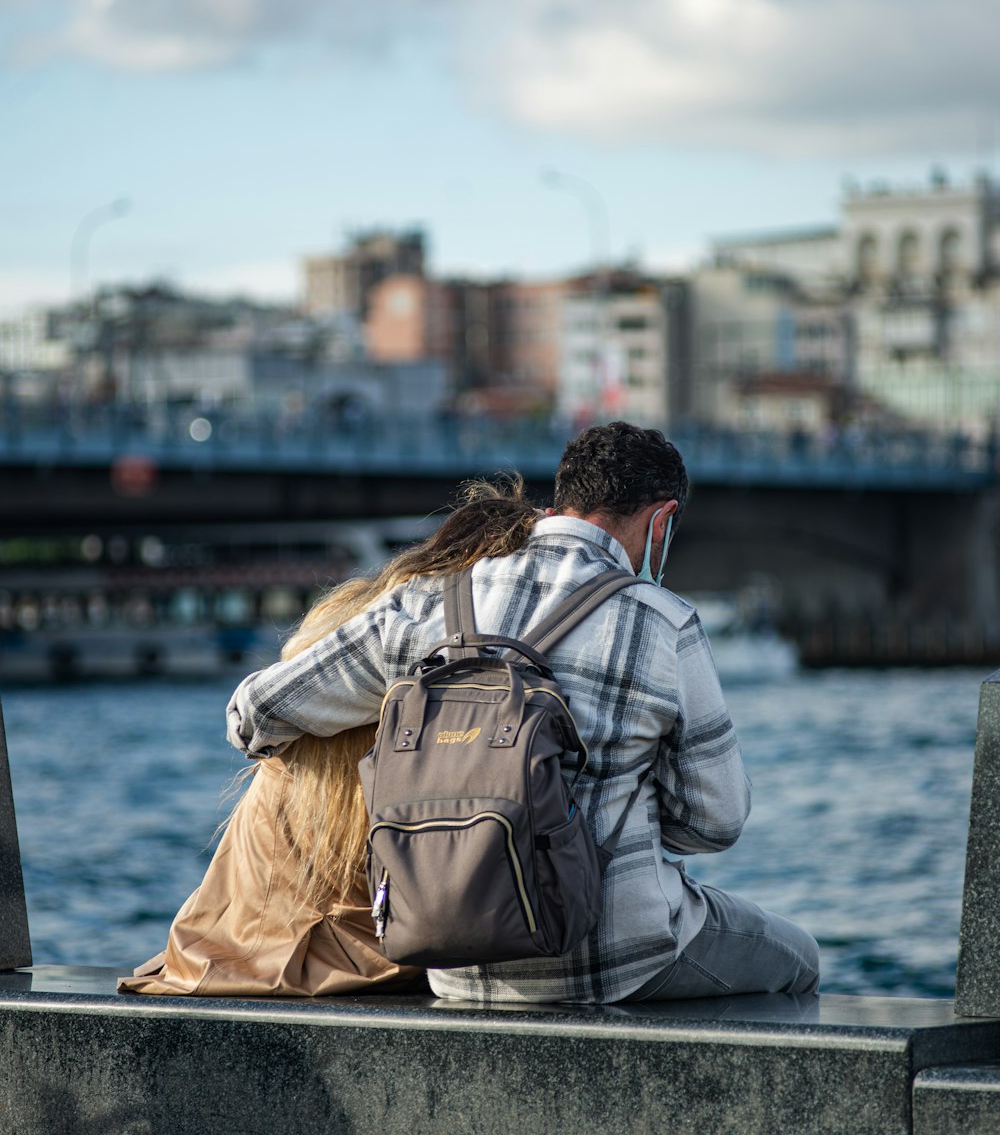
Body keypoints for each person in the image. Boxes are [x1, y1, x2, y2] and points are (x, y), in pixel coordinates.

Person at [226, 421, 820, 1005]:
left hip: (449, 962)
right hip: (620, 960)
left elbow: (256, 710)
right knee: (799, 959)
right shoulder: (662, 622)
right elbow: (714, 823)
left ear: (562, 499)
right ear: (660, 521)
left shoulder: (434, 597)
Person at [119, 479, 539, 998]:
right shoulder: (442, 684)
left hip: (240, 957)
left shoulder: (347, 637)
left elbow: (251, 714)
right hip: (386, 961)